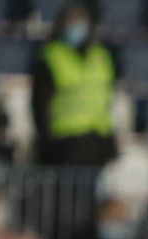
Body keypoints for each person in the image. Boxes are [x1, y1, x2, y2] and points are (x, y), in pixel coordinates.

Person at [31, 4, 117, 168]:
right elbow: (39, 105)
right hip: (65, 142)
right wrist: (46, 143)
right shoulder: (51, 57)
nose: (76, 29)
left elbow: (108, 97)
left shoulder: (101, 56)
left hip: (99, 140)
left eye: (79, 23)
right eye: (71, 24)